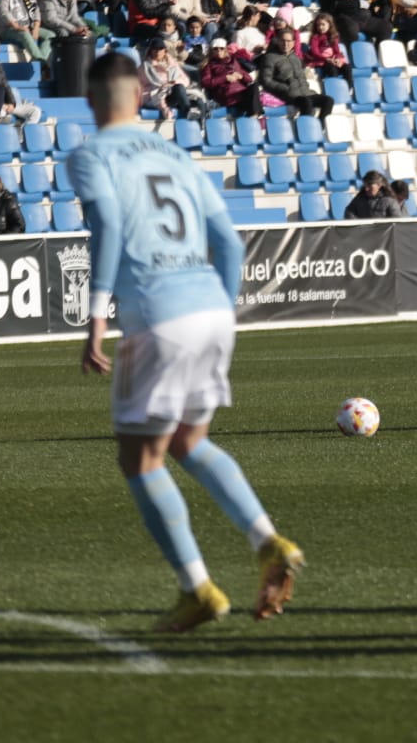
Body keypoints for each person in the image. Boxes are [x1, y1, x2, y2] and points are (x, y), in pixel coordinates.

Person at [70, 51, 304, 633]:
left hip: (157, 312)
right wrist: (221, 312)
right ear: (140, 95)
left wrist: (96, 319)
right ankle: (267, 539)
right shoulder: (174, 151)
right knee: (186, 441)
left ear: (94, 100)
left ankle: (197, 589)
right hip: (209, 306)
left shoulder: (90, 154)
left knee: (138, 456)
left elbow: (110, 227)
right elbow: (229, 241)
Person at [259, 27, 334, 122]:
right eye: (282, 41)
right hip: (289, 94)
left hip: (305, 92)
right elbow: (265, 81)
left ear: (294, 43)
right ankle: (305, 129)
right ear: (278, 41)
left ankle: (320, 126)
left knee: (328, 100)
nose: (285, 44)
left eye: (288, 41)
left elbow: (301, 75)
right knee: (306, 103)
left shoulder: (295, 57)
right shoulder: (270, 58)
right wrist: (284, 88)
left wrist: (305, 86)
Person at [0, 0, 54, 68]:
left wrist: (35, 27)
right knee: (25, 34)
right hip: (9, 29)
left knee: (50, 35)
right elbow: (2, 11)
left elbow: (36, 11)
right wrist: (17, 26)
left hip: (28, 26)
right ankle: (42, 64)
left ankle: (38, 60)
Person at [142, 39, 199, 121]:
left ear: (165, 51)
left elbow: (185, 80)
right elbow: (139, 88)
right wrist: (160, 88)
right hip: (154, 98)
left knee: (197, 100)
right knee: (178, 89)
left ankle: (200, 126)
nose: (157, 52)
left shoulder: (172, 64)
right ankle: (188, 110)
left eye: (160, 49)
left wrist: (173, 82)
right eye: (155, 49)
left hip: (171, 93)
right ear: (150, 51)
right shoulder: (144, 67)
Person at [201, 37, 257, 117]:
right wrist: (225, 78)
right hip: (227, 94)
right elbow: (206, 82)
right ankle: (254, 113)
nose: (219, 51)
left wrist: (241, 76)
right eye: (215, 49)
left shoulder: (234, 62)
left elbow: (249, 79)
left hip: (241, 93)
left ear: (225, 50)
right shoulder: (209, 66)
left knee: (254, 86)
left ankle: (255, 114)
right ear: (211, 51)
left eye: (221, 48)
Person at [303, 12, 352, 83]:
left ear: (329, 24)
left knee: (347, 67)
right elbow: (315, 52)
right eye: (318, 25)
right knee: (332, 69)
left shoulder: (333, 36)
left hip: (332, 59)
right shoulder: (315, 37)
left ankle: (349, 87)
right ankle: (334, 86)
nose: (320, 27)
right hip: (321, 60)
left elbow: (336, 51)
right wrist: (327, 59)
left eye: (323, 24)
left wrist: (337, 59)